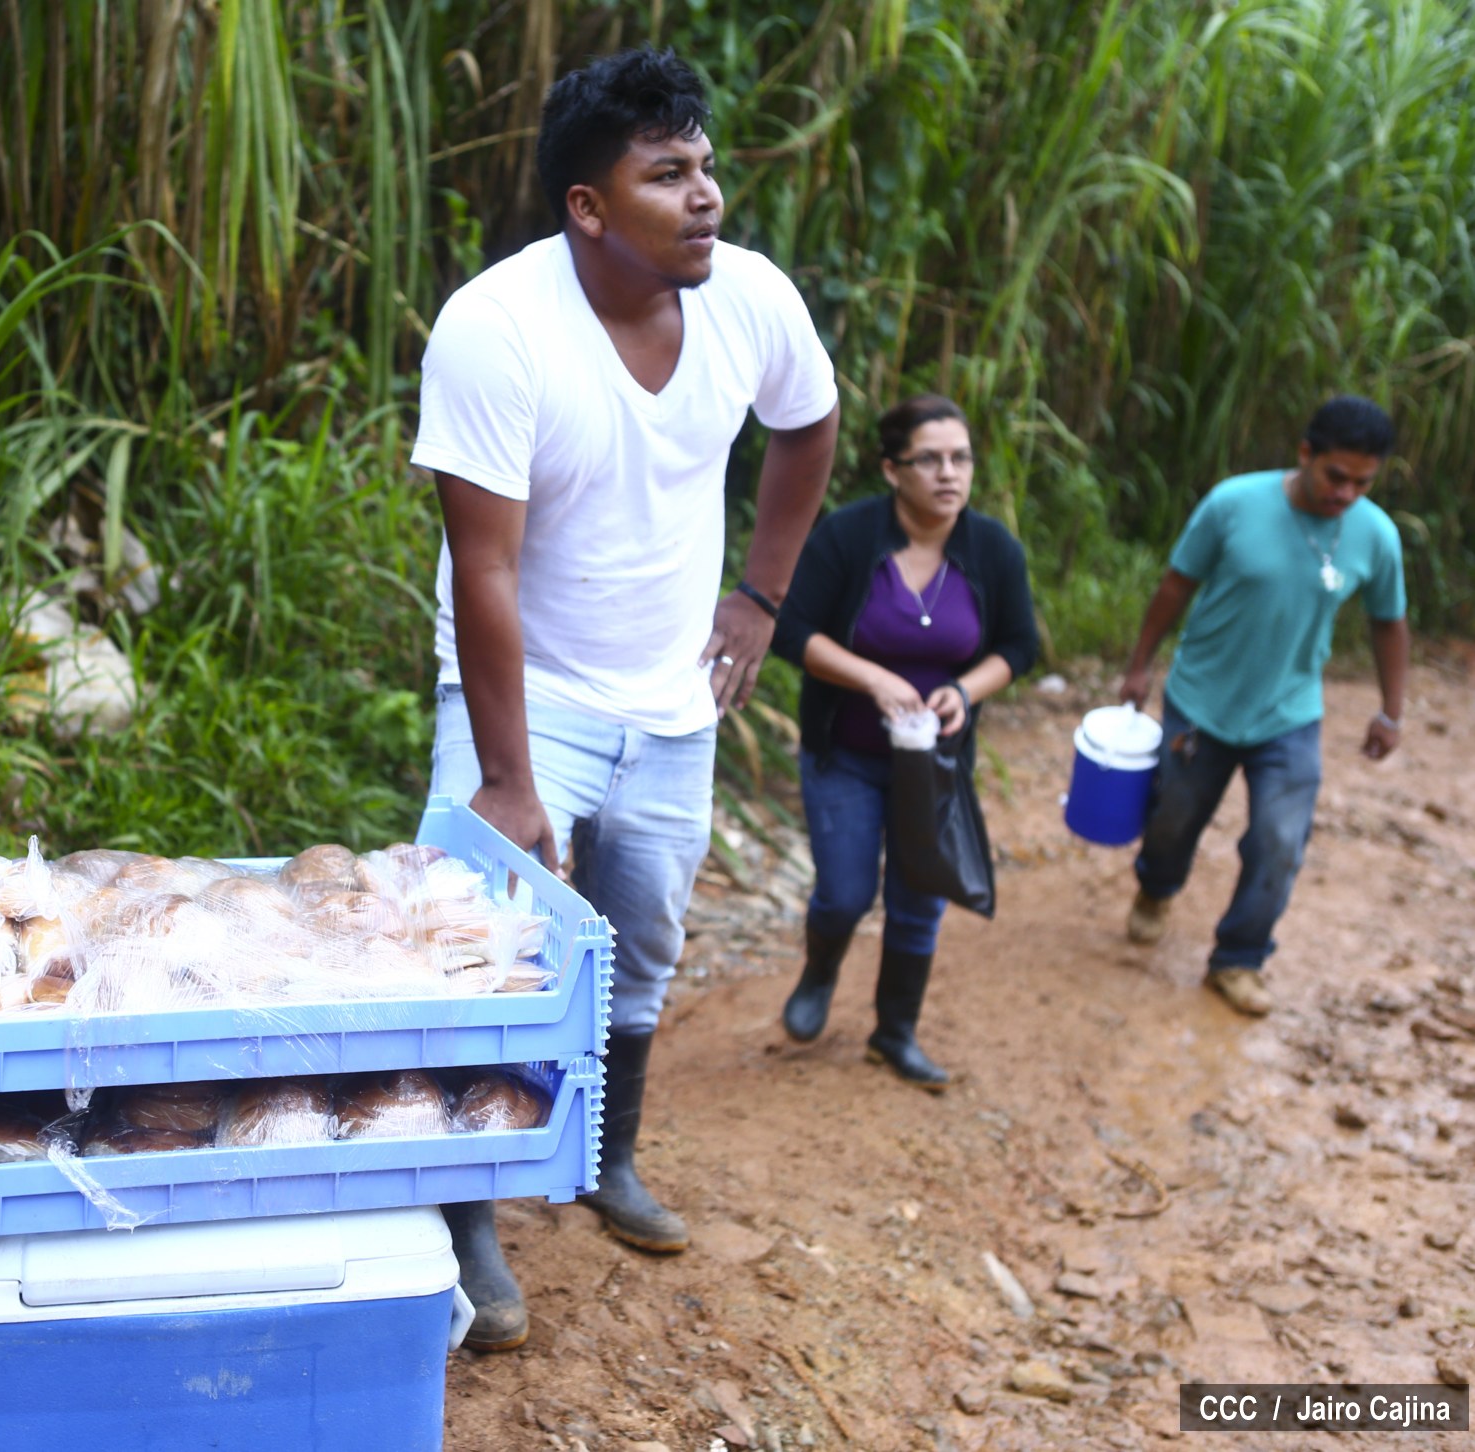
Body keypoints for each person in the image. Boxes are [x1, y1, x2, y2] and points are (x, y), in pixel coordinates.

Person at [412, 48, 839, 1351]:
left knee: (643, 937)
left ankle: (603, 1155)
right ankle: (466, 1220)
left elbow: (808, 424)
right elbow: (483, 568)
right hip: (525, 685)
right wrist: (504, 778)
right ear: (587, 206)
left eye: (704, 166)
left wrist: (760, 597)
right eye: (666, 175)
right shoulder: (496, 327)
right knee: (478, 939)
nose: (704, 195)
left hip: (670, 694)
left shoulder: (749, 299)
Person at [770, 396, 1039, 1089]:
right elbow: (792, 632)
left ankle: (895, 1033)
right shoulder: (847, 536)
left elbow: (1019, 645)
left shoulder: (992, 549)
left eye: (961, 458)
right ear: (892, 470)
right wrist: (873, 680)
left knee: (920, 896)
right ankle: (819, 972)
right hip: (846, 753)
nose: (950, 473)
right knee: (845, 891)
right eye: (930, 460)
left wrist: (965, 691)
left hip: (935, 764)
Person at [1117, 396, 1407, 1015]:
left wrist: (1392, 710)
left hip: (1289, 713)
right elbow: (1176, 584)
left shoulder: (1376, 534)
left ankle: (1239, 958)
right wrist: (1140, 666)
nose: (1346, 494)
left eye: (1363, 482)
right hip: (1201, 702)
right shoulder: (1234, 504)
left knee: (1280, 840)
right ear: (1305, 454)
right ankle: (1157, 888)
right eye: (1336, 476)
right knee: (1173, 819)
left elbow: (1388, 621)